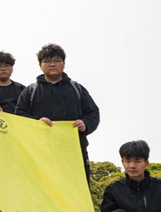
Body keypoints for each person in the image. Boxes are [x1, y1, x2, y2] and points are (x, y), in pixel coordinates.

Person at [14, 43, 100, 182]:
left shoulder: (76, 88)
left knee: (77, 189)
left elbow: (93, 113)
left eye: (57, 61)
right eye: (47, 61)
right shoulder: (31, 91)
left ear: (64, 64)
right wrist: (37, 124)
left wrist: (85, 124)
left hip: (74, 151)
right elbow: (20, 116)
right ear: (40, 65)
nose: (52, 64)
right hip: (40, 152)